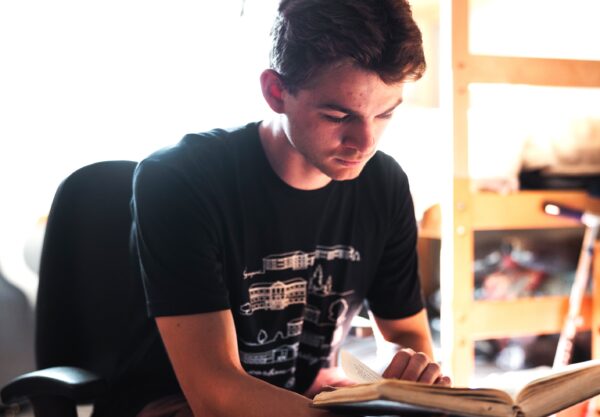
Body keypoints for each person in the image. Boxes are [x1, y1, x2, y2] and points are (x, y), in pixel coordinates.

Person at [127, 0, 451, 416]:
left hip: (300, 403)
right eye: (338, 115)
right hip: (175, 406)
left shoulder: (384, 185)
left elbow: (405, 330)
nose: (365, 143)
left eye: (385, 113)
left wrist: (410, 375)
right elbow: (215, 394)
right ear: (276, 92)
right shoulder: (180, 180)